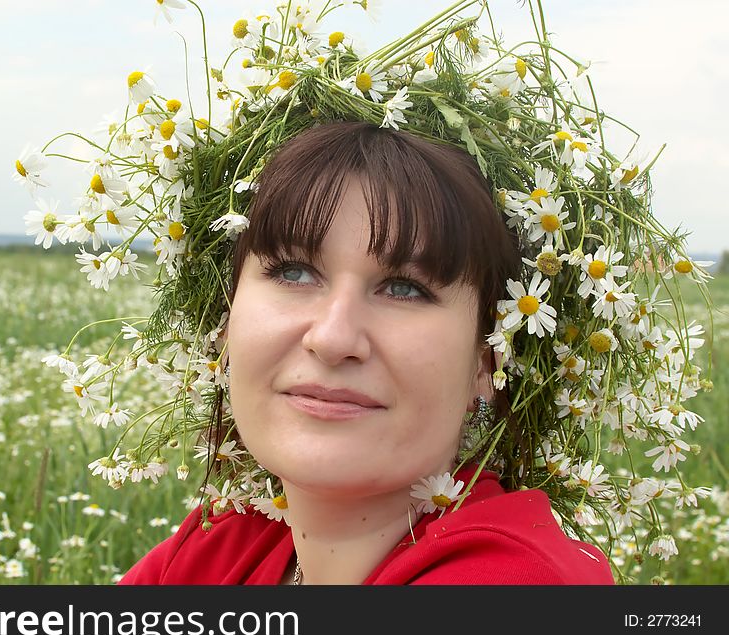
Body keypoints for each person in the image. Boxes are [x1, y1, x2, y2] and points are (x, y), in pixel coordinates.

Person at [118, 122, 615, 585]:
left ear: (487, 361)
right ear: (224, 327)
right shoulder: (215, 551)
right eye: (293, 273)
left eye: (403, 288)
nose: (333, 339)